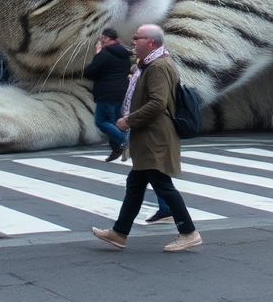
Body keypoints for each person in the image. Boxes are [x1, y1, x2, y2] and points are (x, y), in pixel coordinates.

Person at [92, 24, 202, 252]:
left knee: (162, 185)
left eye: (137, 38)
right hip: (148, 136)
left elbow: (157, 103)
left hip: (155, 137)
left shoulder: (159, 67)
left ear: (151, 42)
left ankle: (189, 232)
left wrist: (128, 120)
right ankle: (119, 233)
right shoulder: (148, 65)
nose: (133, 41)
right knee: (135, 185)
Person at [83, 28, 131, 161]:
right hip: (120, 92)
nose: (101, 40)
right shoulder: (125, 54)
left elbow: (90, 73)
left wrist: (97, 55)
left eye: (103, 38)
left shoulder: (103, 55)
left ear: (108, 39)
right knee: (117, 122)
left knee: (102, 121)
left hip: (106, 93)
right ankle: (117, 149)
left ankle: (126, 141)